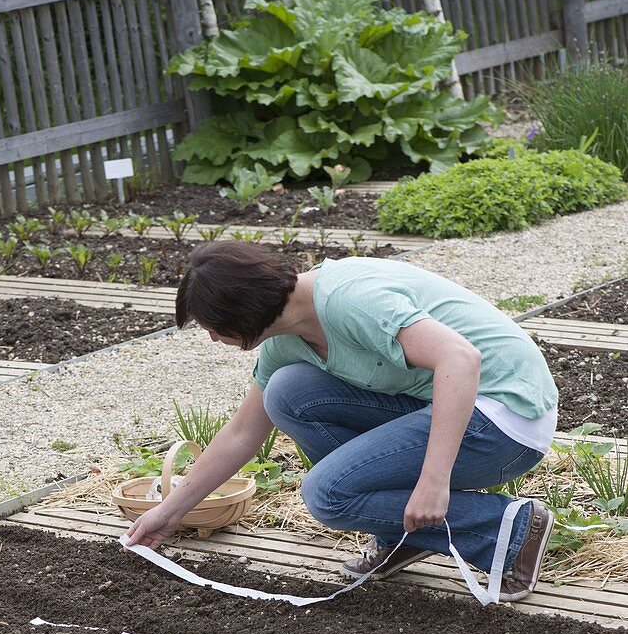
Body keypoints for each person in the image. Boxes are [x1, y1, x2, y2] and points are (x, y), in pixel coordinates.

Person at [125, 241, 559, 602]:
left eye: (212, 327)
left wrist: (433, 480)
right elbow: (242, 434)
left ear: (241, 308)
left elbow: (460, 359)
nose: (214, 338)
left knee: (327, 494)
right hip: (439, 404)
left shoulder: (351, 300)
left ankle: (509, 529)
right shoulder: (288, 342)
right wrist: (170, 512)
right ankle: (401, 536)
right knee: (288, 391)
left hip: (505, 416)